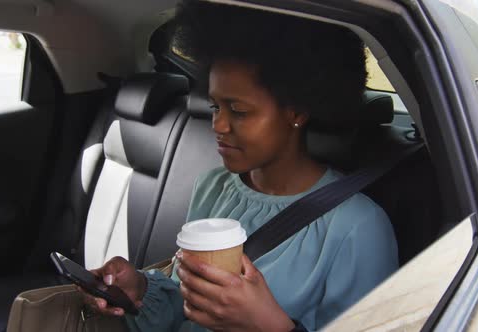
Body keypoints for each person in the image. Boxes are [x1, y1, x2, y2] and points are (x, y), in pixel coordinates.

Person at [80, 1, 398, 331]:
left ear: (298, 111)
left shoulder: (357, 227)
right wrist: (139, 289)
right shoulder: (213, 186)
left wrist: (267, 324)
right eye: (216, 106)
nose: (218, 125)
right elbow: (185, 308)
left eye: (239, 111)